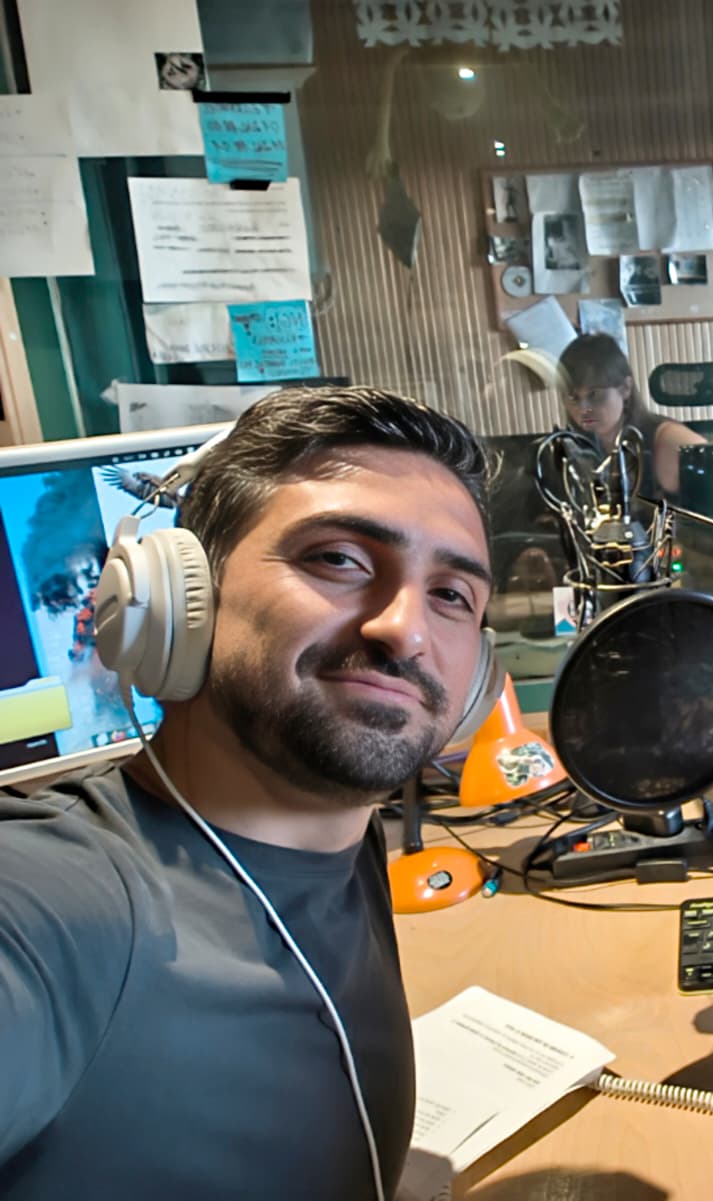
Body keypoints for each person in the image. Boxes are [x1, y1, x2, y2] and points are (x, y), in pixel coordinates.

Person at [0, 386, 499, 1200]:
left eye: (451, 595)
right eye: (339, 559)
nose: (405, 629)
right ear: (177, 598)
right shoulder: (63, 905)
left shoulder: (348, 840)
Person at [557, 332, 705, 497]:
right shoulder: (577, 450)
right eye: (573, 398)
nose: (583, 409)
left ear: (625, 388)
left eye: (594, 394)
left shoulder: (669, 442)